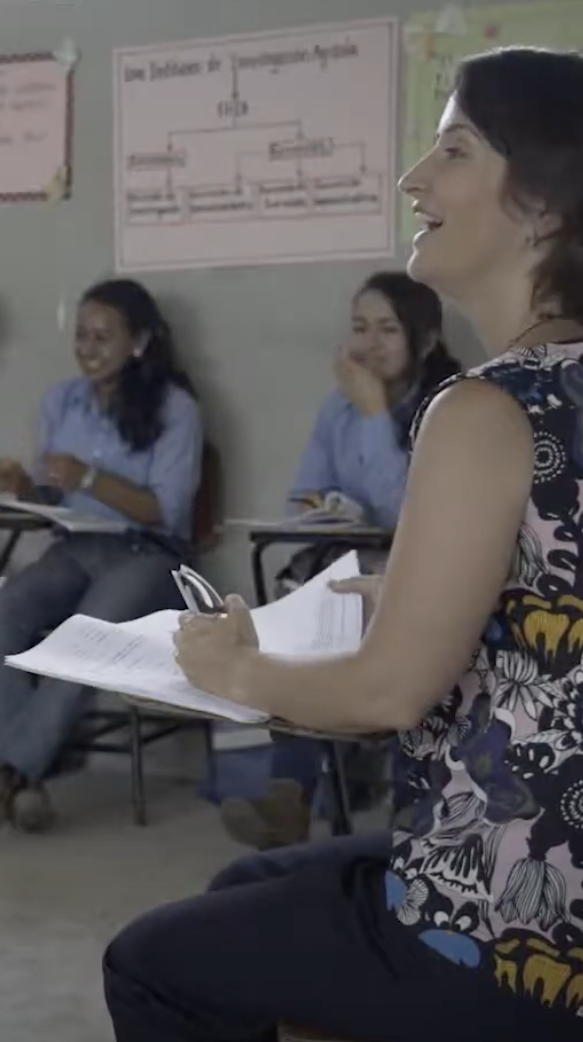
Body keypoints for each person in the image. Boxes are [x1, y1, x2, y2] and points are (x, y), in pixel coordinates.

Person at [103, 48, 583, 1042]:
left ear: (545, 199)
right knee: (233, 902)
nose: (413, 178)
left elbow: (383, 700)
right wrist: (400, 588)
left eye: (451, 150)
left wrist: (236, 667)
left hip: (541, 950)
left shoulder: (482, 407)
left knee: (154, 966)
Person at [221, 272, 462, 850]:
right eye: (358, 329)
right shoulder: (339, 407)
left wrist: (377, 415)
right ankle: (289, 799)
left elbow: (416, 516)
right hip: (345, 568)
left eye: (386, 330)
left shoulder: (453, 406)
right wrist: (323, 509)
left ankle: (308, 796)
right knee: (289, 634)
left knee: (323, 635)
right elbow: (301, 497)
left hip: (418, 580)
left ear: (425, 341)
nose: (368, 344)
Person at [0, 279, 202, 833]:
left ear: (140, 342)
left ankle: (9, 769)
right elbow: (54, 495)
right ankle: (23, 780)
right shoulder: (61, 401)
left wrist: (91, 478)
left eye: (104, 336)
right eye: (81, 336)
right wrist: (24, 487)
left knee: (82, 637)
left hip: (149, 555)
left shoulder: (177, 409)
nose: (88, 348)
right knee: (0, 616)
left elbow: (163, 512)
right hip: (75, 547)